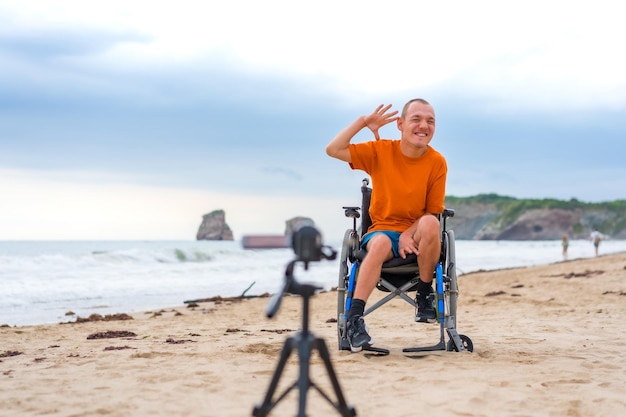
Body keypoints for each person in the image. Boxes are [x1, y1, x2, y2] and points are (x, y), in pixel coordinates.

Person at [325, 99, 447, 352]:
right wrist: (363, 122)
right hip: (382, 231)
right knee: (379, 241)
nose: (424, 125)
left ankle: (424, 294)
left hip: (418, 237)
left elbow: (433, 211)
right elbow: (333, 149)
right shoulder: (380, 151)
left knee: (431, 223)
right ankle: (355, 319)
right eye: (416, 119)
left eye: (430, 121)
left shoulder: (437, 162)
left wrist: (408, 234)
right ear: (400, 124)